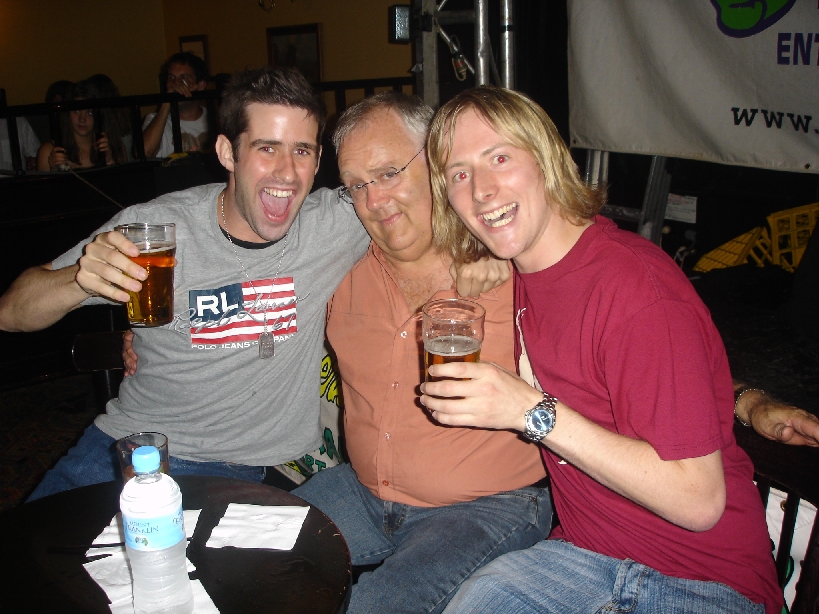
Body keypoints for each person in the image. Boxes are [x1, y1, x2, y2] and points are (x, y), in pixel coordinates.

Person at [422, 86, 782, 613]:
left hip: (701, 581)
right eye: (459, 174)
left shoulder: (635, 287)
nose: (481, 190)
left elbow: (699, 500)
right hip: (587, 555)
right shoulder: (528, 270)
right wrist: (745, 396)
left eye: (499, 158)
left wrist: (530, 411)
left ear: (545, 160)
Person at [0, 66, 371, 499]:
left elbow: (415, 188)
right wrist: (78, 280)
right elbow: (10, 312)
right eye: (267, 148)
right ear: (228, 152)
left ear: (318, 160)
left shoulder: (337, 223)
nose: (287, 172)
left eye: (302, 151)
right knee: (38, 537)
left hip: (247, 471)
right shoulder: (154, 229)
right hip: (136, 447)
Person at [287, 92, 550, 614]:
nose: (374, 200)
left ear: (436, 162)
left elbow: (610, 293)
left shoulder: (513, 259)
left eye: (388, 173)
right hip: (362, 492)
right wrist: (153, 337)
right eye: (356, 185)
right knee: (242, 546)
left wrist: (503, 257)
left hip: (487, 506)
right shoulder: (340, 269)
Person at [36, 80, 125, 171]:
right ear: (67, 114)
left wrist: (110, 161)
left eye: (90, 113)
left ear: (99, 115)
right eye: (77, 111)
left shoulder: (115, 147)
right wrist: (54, 169)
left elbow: (125, 179)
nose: (82, 119)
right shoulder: (49, 151)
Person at [142, 52, 210, 158]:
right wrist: (167, 102)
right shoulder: (153, 120)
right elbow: (144, 153)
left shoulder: (214, 119)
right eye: (171, 78)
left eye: (184, 78)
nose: (176, 84)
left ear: (201, 85)